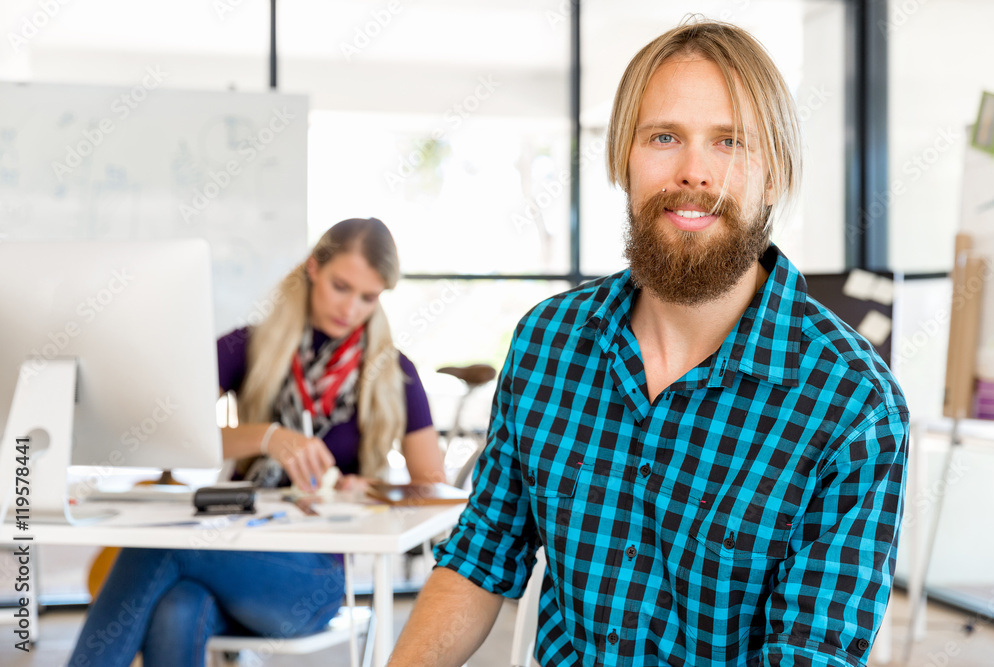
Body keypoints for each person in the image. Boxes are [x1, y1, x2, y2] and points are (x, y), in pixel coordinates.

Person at [389, 19, 908, 667]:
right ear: (623, 160)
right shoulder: (549, 343)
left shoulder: (852, 403)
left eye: (730, 141)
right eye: (665, 137)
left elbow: (812, 651)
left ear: (774, 175)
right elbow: (478, 559)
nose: (694, 172)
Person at [69, 217, 445, 667]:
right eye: (341, 286)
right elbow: (169, 432)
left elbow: (432, 486)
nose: (351, 309)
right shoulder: (248, 346)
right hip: (231, 545)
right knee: (179, 607)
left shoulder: (394, 371)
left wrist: (367, 488)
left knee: (161, 542)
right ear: (312, 268)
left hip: (310, 580)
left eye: (369, 297)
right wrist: (267, 438)